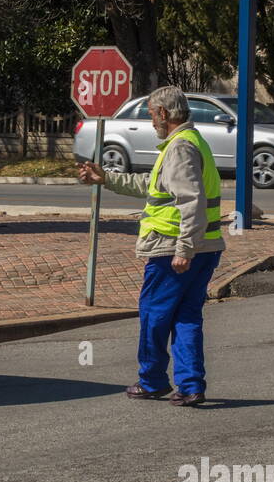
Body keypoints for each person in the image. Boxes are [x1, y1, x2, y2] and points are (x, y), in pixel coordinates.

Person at [77, 86, 225, 407]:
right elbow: (151, 186)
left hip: (173, 250)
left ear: (164, 113)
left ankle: (153, 380)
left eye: (150, 114)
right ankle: (189, 386)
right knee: (186, 316)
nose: (150, 120)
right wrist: (108, 178)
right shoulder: (188, 143)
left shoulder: (180, 148)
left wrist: (184, 248)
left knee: (154, 316)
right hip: (204, 248)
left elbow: (191, 200)